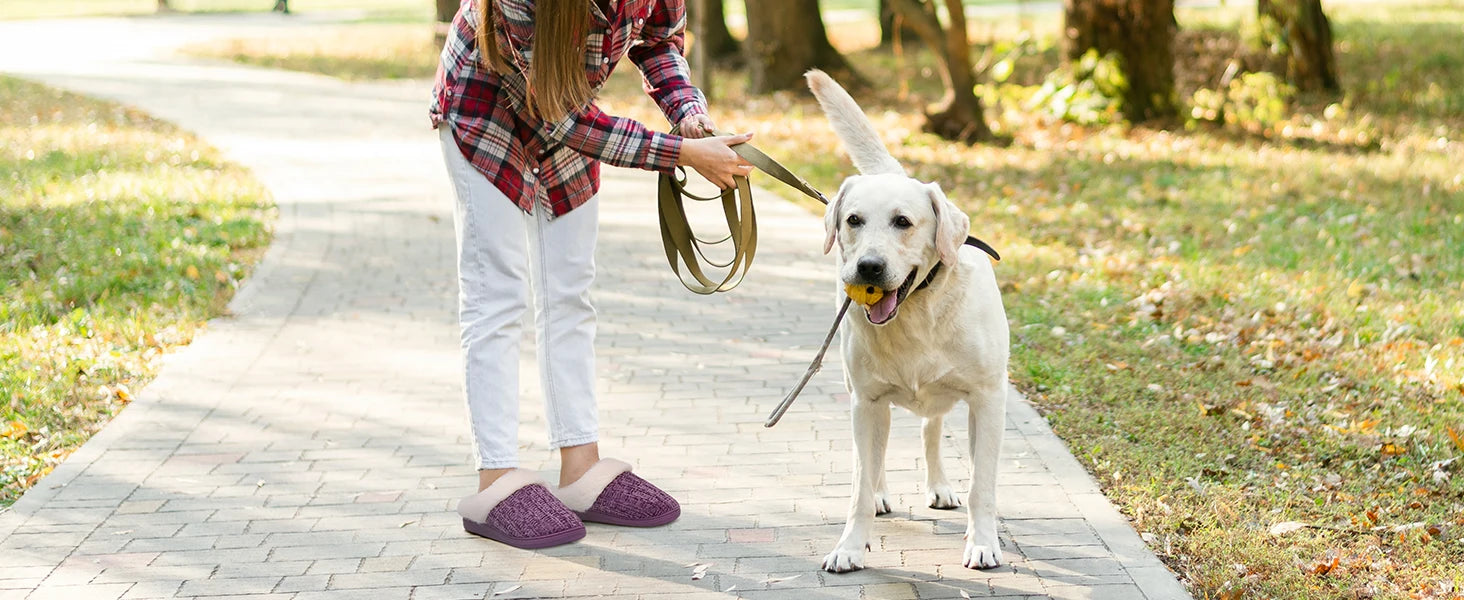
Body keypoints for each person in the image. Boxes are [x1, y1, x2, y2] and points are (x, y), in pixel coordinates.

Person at [430, 0, 752, 549]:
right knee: (497, 299)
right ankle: (495, 477)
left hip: (571, 118)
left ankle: (580, 468)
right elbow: (561, 114)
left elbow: (659, 43)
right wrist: (681, 153)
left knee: (570, 297)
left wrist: (687, 112)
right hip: (488, 116)